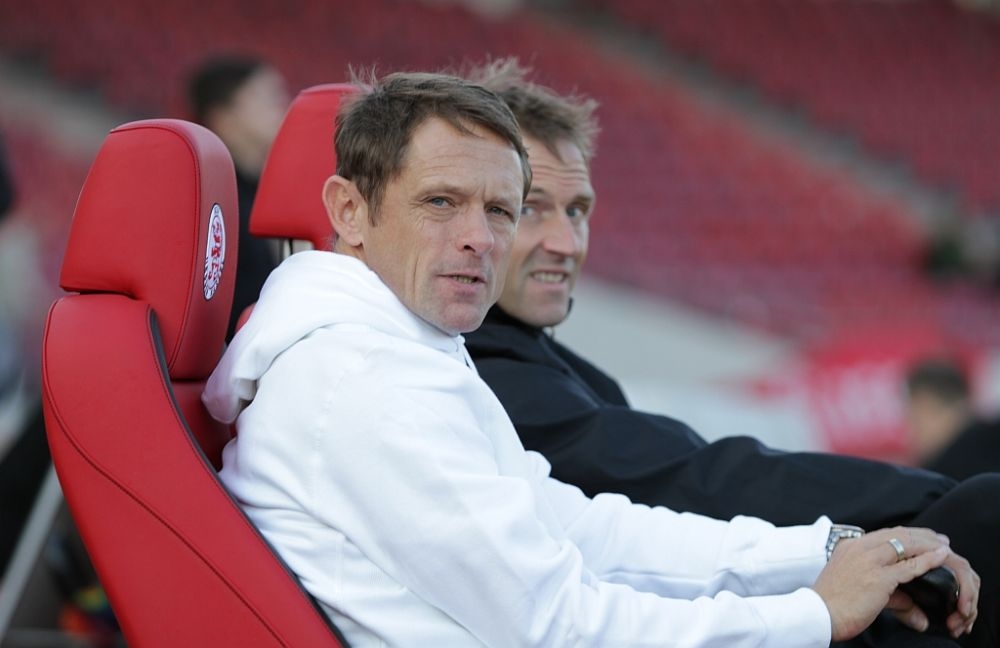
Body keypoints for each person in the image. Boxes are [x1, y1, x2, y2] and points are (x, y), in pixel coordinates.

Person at [203, 69, 978, 646]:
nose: (480, 238)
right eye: (441, 202)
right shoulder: (364, 382)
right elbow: (559, 626)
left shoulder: (400, 349)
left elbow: (582, 528)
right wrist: (813, 613)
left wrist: (825, 549)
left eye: (499, 209)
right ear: (349, 210)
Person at [461, 59, 997, 645]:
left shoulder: (533, 358)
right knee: (982, 515)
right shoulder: (475, 370)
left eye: (578, 211)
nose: (566, 243)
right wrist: (925, 500)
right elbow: (688, 479)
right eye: (530, 207)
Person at [187, 55, 291, 341]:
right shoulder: (204, 201)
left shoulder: (266, 193)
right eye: (267, 98)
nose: (283, 107)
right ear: (222, 116)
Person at [905, 357, 1000, 481]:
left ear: (926, 405)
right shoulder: (991, 442)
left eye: (914, 419)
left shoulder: (939, 478)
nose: (913, 433)